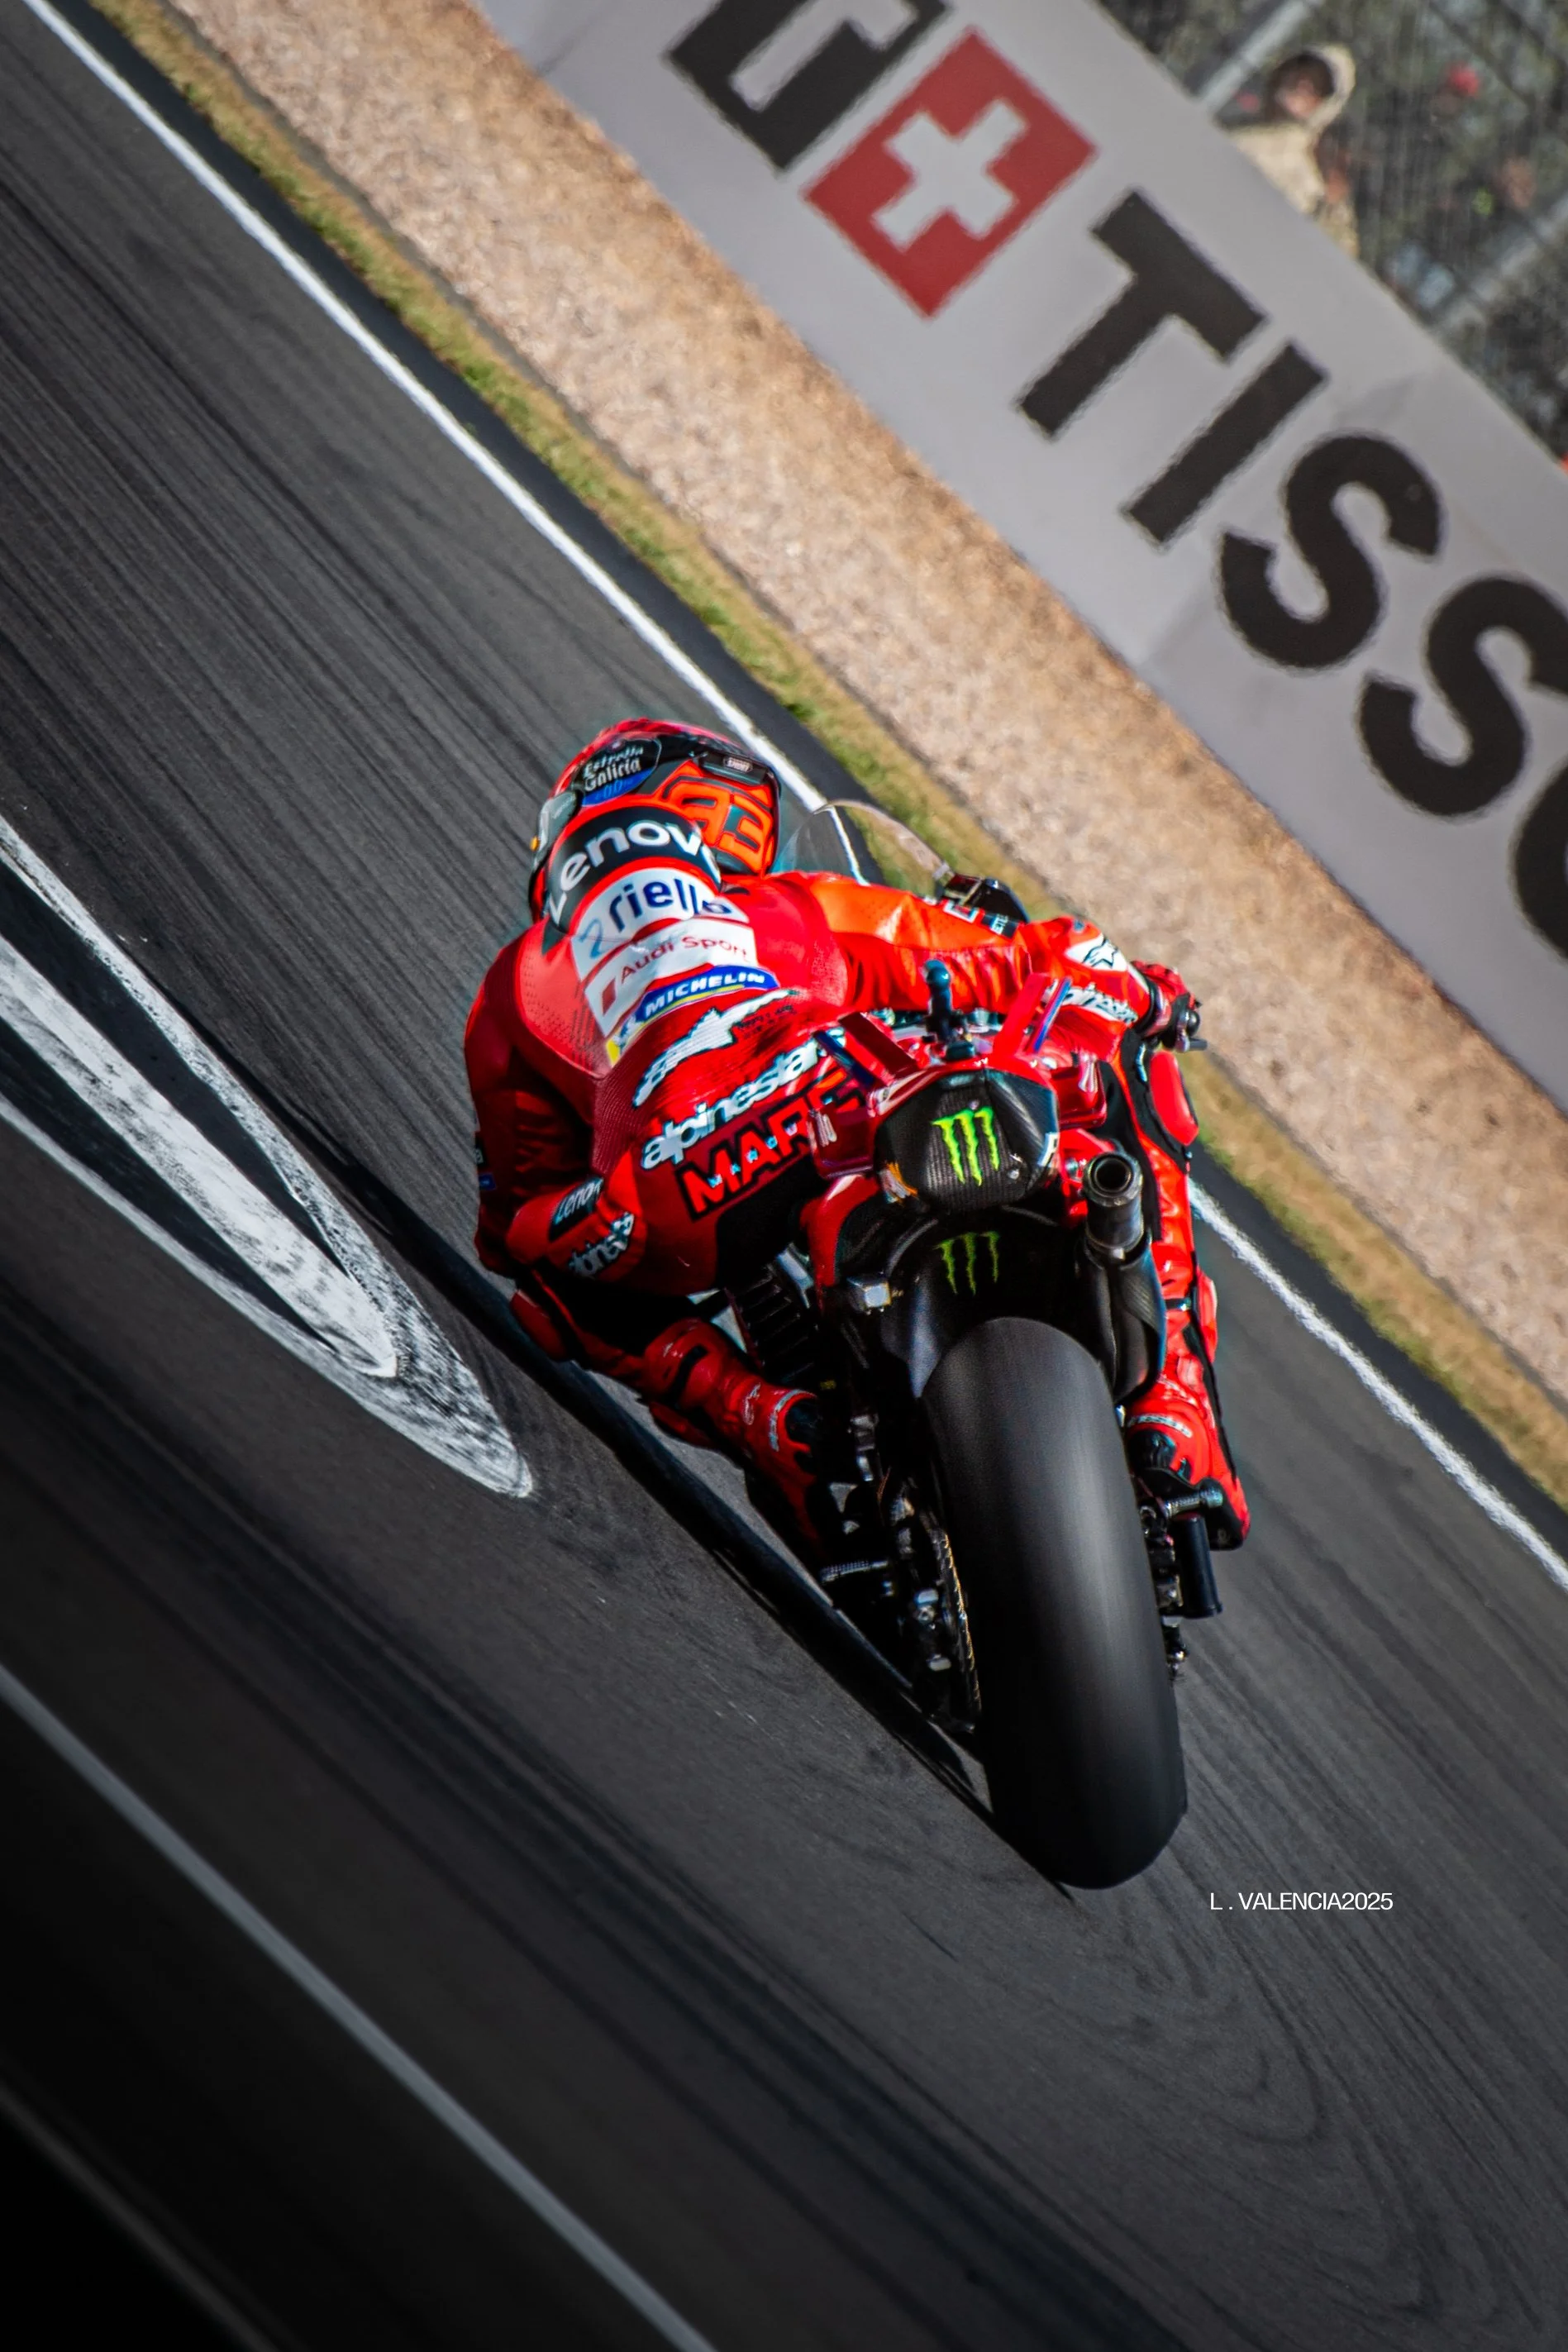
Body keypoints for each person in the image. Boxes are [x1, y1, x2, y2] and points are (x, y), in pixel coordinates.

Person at [465, 719, 1249, 1559]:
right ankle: (1175, 1399)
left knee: (546, 1277)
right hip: (828, 1101)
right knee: (1128, 1059)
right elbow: (1027, 959)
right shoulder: (792, 906)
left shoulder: (516, 985)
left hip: (685, 1189)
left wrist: (623, 1189)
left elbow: (515, 1228)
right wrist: (1150, 994)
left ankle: (758, 1413)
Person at [1229, 45, 1360, 258]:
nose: (1303, 85)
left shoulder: (1307, 185)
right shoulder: (1235, 121)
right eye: (1302, 72)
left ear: (1327, 107)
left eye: (1318, 86)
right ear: (1284, 70)